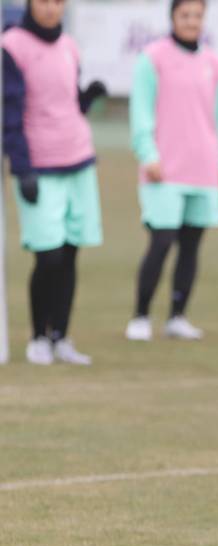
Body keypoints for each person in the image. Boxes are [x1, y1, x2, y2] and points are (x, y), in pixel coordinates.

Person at [2, 0, 106, 365]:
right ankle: (38, 338)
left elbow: (68, 102)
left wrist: (87, 97)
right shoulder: (12, 46)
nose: (51, 8)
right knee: (48, 255)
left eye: (58, 2)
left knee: (71, 252)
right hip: (39, 165)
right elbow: (10, 113)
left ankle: (61, 336)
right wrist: (22, 168)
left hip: (78, 158)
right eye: (44, 1)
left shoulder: (69, 45)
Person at [126, 0, 218, 343]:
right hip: (165, 168)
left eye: (197, 16)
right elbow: (141, 111)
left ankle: (177, 316)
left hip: (203, 168)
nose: (191, 21)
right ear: (172, 17)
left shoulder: (213, 64)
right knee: (162, 241)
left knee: (191, 245)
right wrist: (148, 154)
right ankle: (140, 316)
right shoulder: (153, 58)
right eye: (185, 15)